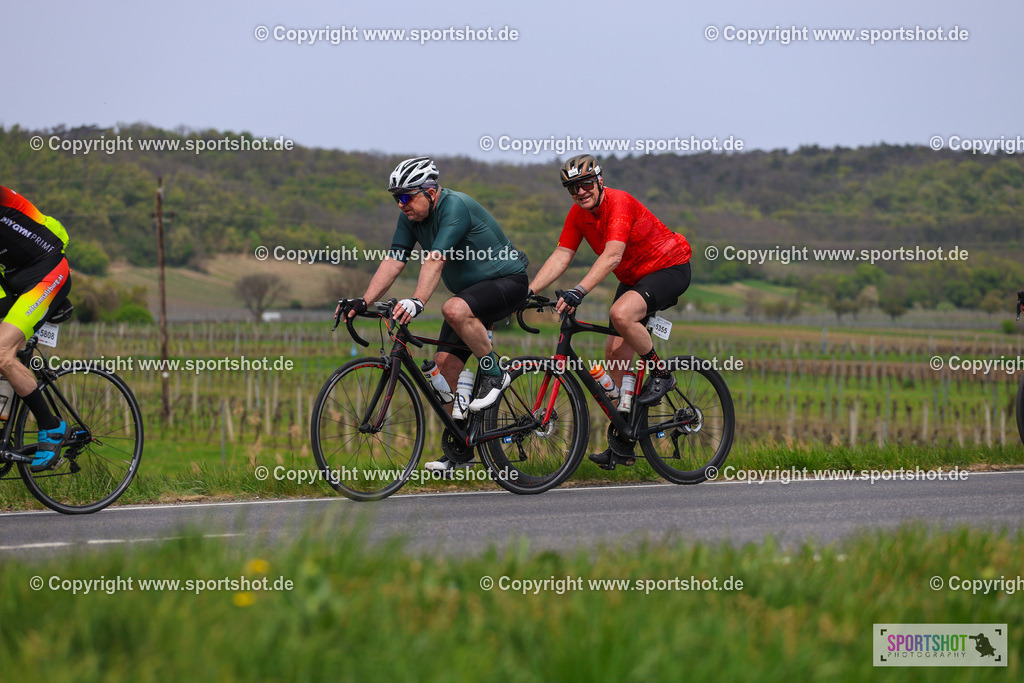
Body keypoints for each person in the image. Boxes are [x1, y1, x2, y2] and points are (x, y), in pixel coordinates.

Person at [342, 157, 529, 471]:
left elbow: (435, 259)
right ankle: (463, 446)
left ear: (430, 192)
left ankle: (496, 372)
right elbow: (393, 262)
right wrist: (363, 300)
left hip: (507, 282)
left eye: (406, 196)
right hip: (473, 296)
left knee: (453, 308)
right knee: (441, 373)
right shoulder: (411, 217)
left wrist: (417, 300)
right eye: (395, 198)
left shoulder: (455, 206)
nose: (401, 204)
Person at [527, 155, 692, 469]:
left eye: (586, 184)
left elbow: (613, 255)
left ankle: (661, 374)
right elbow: (562, 255)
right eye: (573, 188)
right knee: (614, 357)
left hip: (669, 267)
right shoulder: (577, 215)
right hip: (634, 278)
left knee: (620, 314)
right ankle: (623, 440)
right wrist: (529, 291)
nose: (580, 192)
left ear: (599, 181)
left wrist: (579, 290)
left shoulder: (619, 202)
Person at [0, 186, 73, 470]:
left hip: (46, 273)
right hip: (13, 280)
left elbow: (56, 233)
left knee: (2, 353)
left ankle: (51, 426)